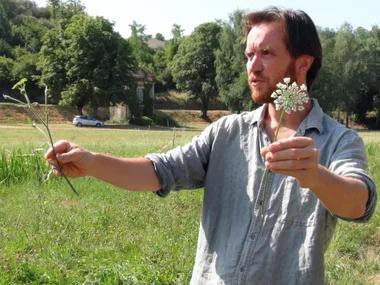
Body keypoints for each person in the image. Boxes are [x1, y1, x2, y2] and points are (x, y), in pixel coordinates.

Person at [45, 7, 377, 285]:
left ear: (303, 63)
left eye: (266, 53)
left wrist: (315, 176)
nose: (253, 66)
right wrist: (91, 163)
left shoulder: (338, 141)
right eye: (249, 54)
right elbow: (160, 171)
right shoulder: (226, 132)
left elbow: (358, 203)